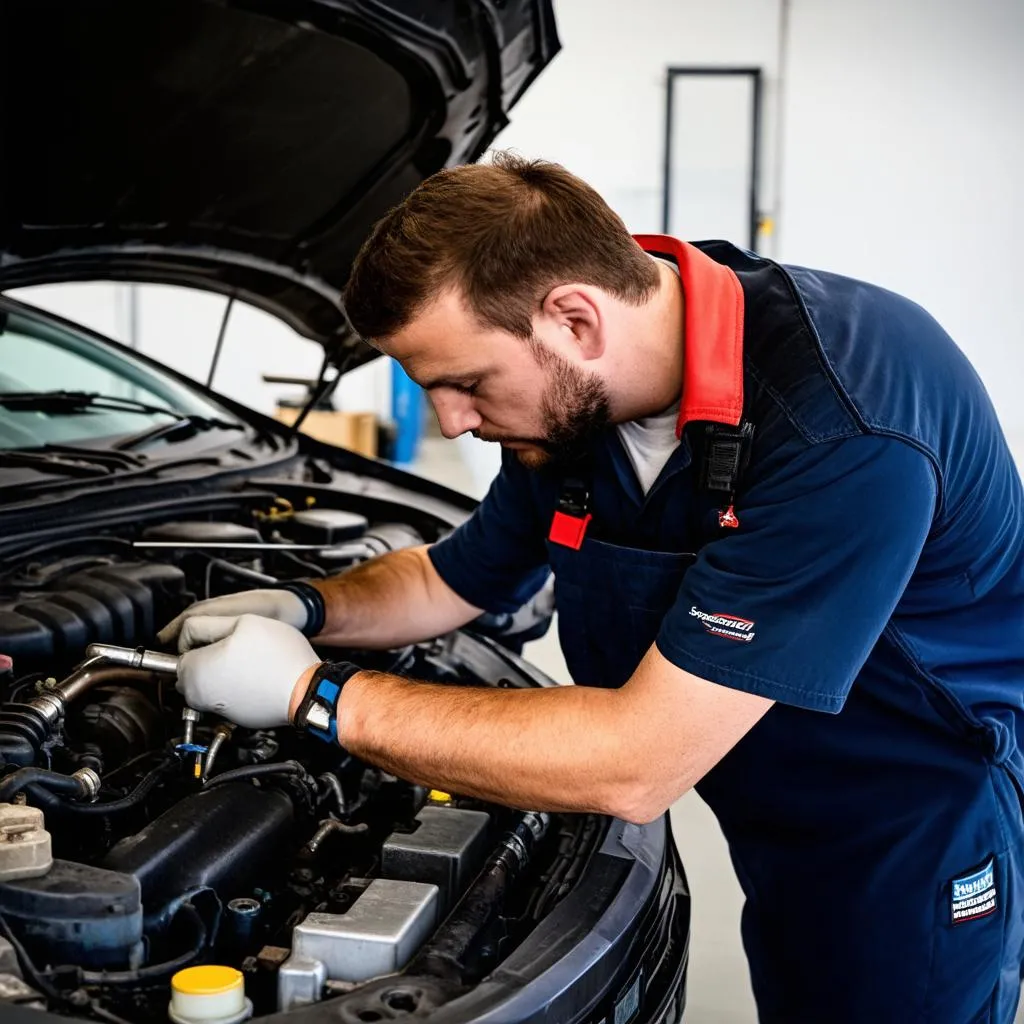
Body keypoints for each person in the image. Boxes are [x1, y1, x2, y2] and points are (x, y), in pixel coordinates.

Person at [158, 154, 1024, 1023]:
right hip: (765, 807)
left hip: (907, 830)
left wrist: (314, 696)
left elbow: (636, 761)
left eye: (465, 383)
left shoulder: (845, 419)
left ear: (575, 318)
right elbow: (453, 578)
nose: (453, 420)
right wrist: (308, 608)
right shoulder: (573, 407)